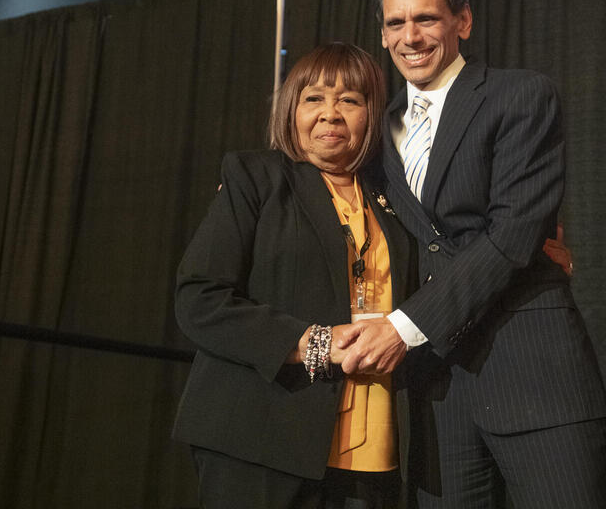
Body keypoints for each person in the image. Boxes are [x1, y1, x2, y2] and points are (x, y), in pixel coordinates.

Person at [173, 42, 576, 508]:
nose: (330, 114)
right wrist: (309, 343)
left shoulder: (396, 198)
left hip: (374, 450)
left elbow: (459, 261)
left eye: (350, 100)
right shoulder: (255, 178)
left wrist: (534, 257)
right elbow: (199, 298)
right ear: (291, 111)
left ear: (374, 115)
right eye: (314, 99)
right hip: (262, 440)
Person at [336, 0, 606, 507]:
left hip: (534, 375)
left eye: (427, 19)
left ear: (462, 21)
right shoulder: (374, 131)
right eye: (395, 23)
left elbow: (513, 232)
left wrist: (405, 327)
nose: (410, 37)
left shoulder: (521, 96)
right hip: (434, 395)